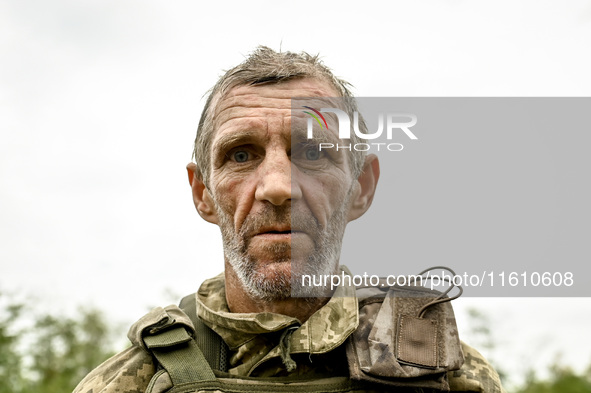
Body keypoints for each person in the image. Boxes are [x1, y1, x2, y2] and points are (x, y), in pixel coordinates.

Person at [73, 47, 505, 393]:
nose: (278, 186)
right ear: (202, 192)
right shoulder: (129, 383)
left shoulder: (450, 378)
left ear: (361, 188)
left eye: (314, 153)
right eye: (241, 154)